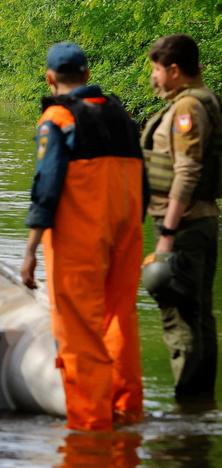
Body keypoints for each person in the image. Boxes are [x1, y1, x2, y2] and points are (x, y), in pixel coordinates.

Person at [20, 42, 146, 431]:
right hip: (127, 233)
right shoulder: (121, 115)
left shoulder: (58, 118)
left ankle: (91, 427)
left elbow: (47, 186)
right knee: (119, 320)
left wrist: (29, 252)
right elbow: (144, 180)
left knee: (78, 330)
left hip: (80, 238)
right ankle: (126, 413)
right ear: (88, 76)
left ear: (50, 77)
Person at [141, 34, 220, 400]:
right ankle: (199, 408)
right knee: (199, 316)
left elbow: (187, 172)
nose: (154, 78)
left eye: (157, 70)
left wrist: (167, 233)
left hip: (185, 226)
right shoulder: (199, 101)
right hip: (197, 223)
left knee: (182, 319)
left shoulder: (187, 109)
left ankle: (188, 407)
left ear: (174, 70)